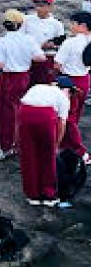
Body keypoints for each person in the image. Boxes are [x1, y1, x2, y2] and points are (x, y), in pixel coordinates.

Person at [0, 9, 45, 162]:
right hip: (23, 77)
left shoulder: (2, 42)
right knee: (16, 111)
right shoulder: (29, 40)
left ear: (5, 25)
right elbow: (40, 58)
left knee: (5, 112)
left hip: (8, 77)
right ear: (21, 24)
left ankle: (6, 147)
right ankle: (11, 142)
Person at [17, 77, 75, 206]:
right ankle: (49, 195)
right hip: (45, 114)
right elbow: (62, 125)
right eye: (70, 91)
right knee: (48, 158)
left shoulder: (37, 87)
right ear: (65, 89)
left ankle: (32, 195)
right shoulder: (63, 98)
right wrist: (56, 144)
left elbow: (23, 106)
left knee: (28, 156)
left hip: (24, 112)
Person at [55, 11, 91, 162]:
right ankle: (67, 145)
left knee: (67, 118)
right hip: (85, 79)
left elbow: (57, 64)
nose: (71, 26)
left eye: (73, 24)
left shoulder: (70, 42)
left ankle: (81, 152)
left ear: (82, 26)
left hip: (70, 82)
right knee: (75, 116)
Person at [23, 0, 64, 86]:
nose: (38, 8)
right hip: (28, 59)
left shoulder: (57, 24)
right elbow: (21, 38)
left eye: (41, 5)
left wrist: (51, 45)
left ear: (50, 6)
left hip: (47, 60)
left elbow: (61, 44)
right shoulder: (27, 20)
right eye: (36, 4)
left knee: (45, 87)